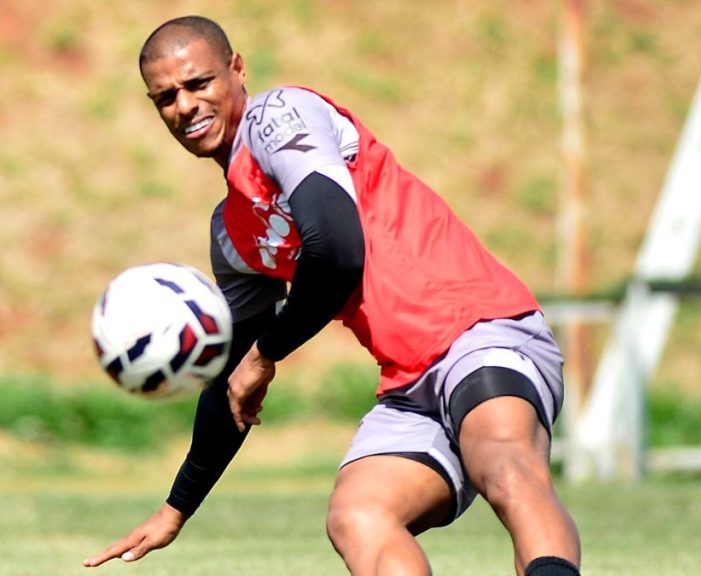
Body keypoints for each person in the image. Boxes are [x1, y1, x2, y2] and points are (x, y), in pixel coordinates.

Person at [82, 15, 581, 576]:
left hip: (479, 328)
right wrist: (176, 509)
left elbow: (339, 249)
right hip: (409, 383)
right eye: (165, 97)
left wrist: (266, 353)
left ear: (237, 69)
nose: (186, 105)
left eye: (199, 84)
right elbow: (230, 379)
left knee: (506, 465)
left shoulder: (278, 117)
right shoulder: (233, 233)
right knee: (358, 514)